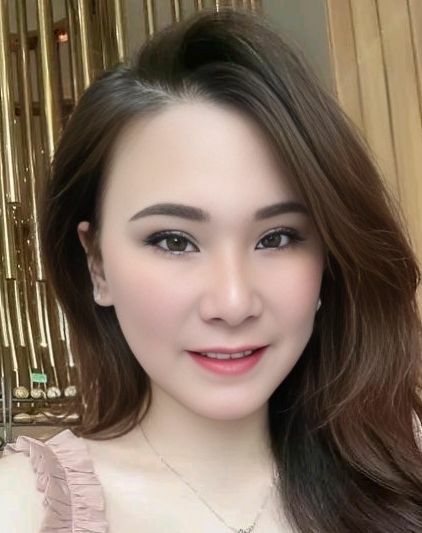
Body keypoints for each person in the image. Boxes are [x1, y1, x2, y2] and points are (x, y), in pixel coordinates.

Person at [1, 7, 422, 533]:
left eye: (278, 237)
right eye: (174, 241)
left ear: (329, 258)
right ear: (98, 265)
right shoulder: (22, 507)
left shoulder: (402, 472)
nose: (233, 302)